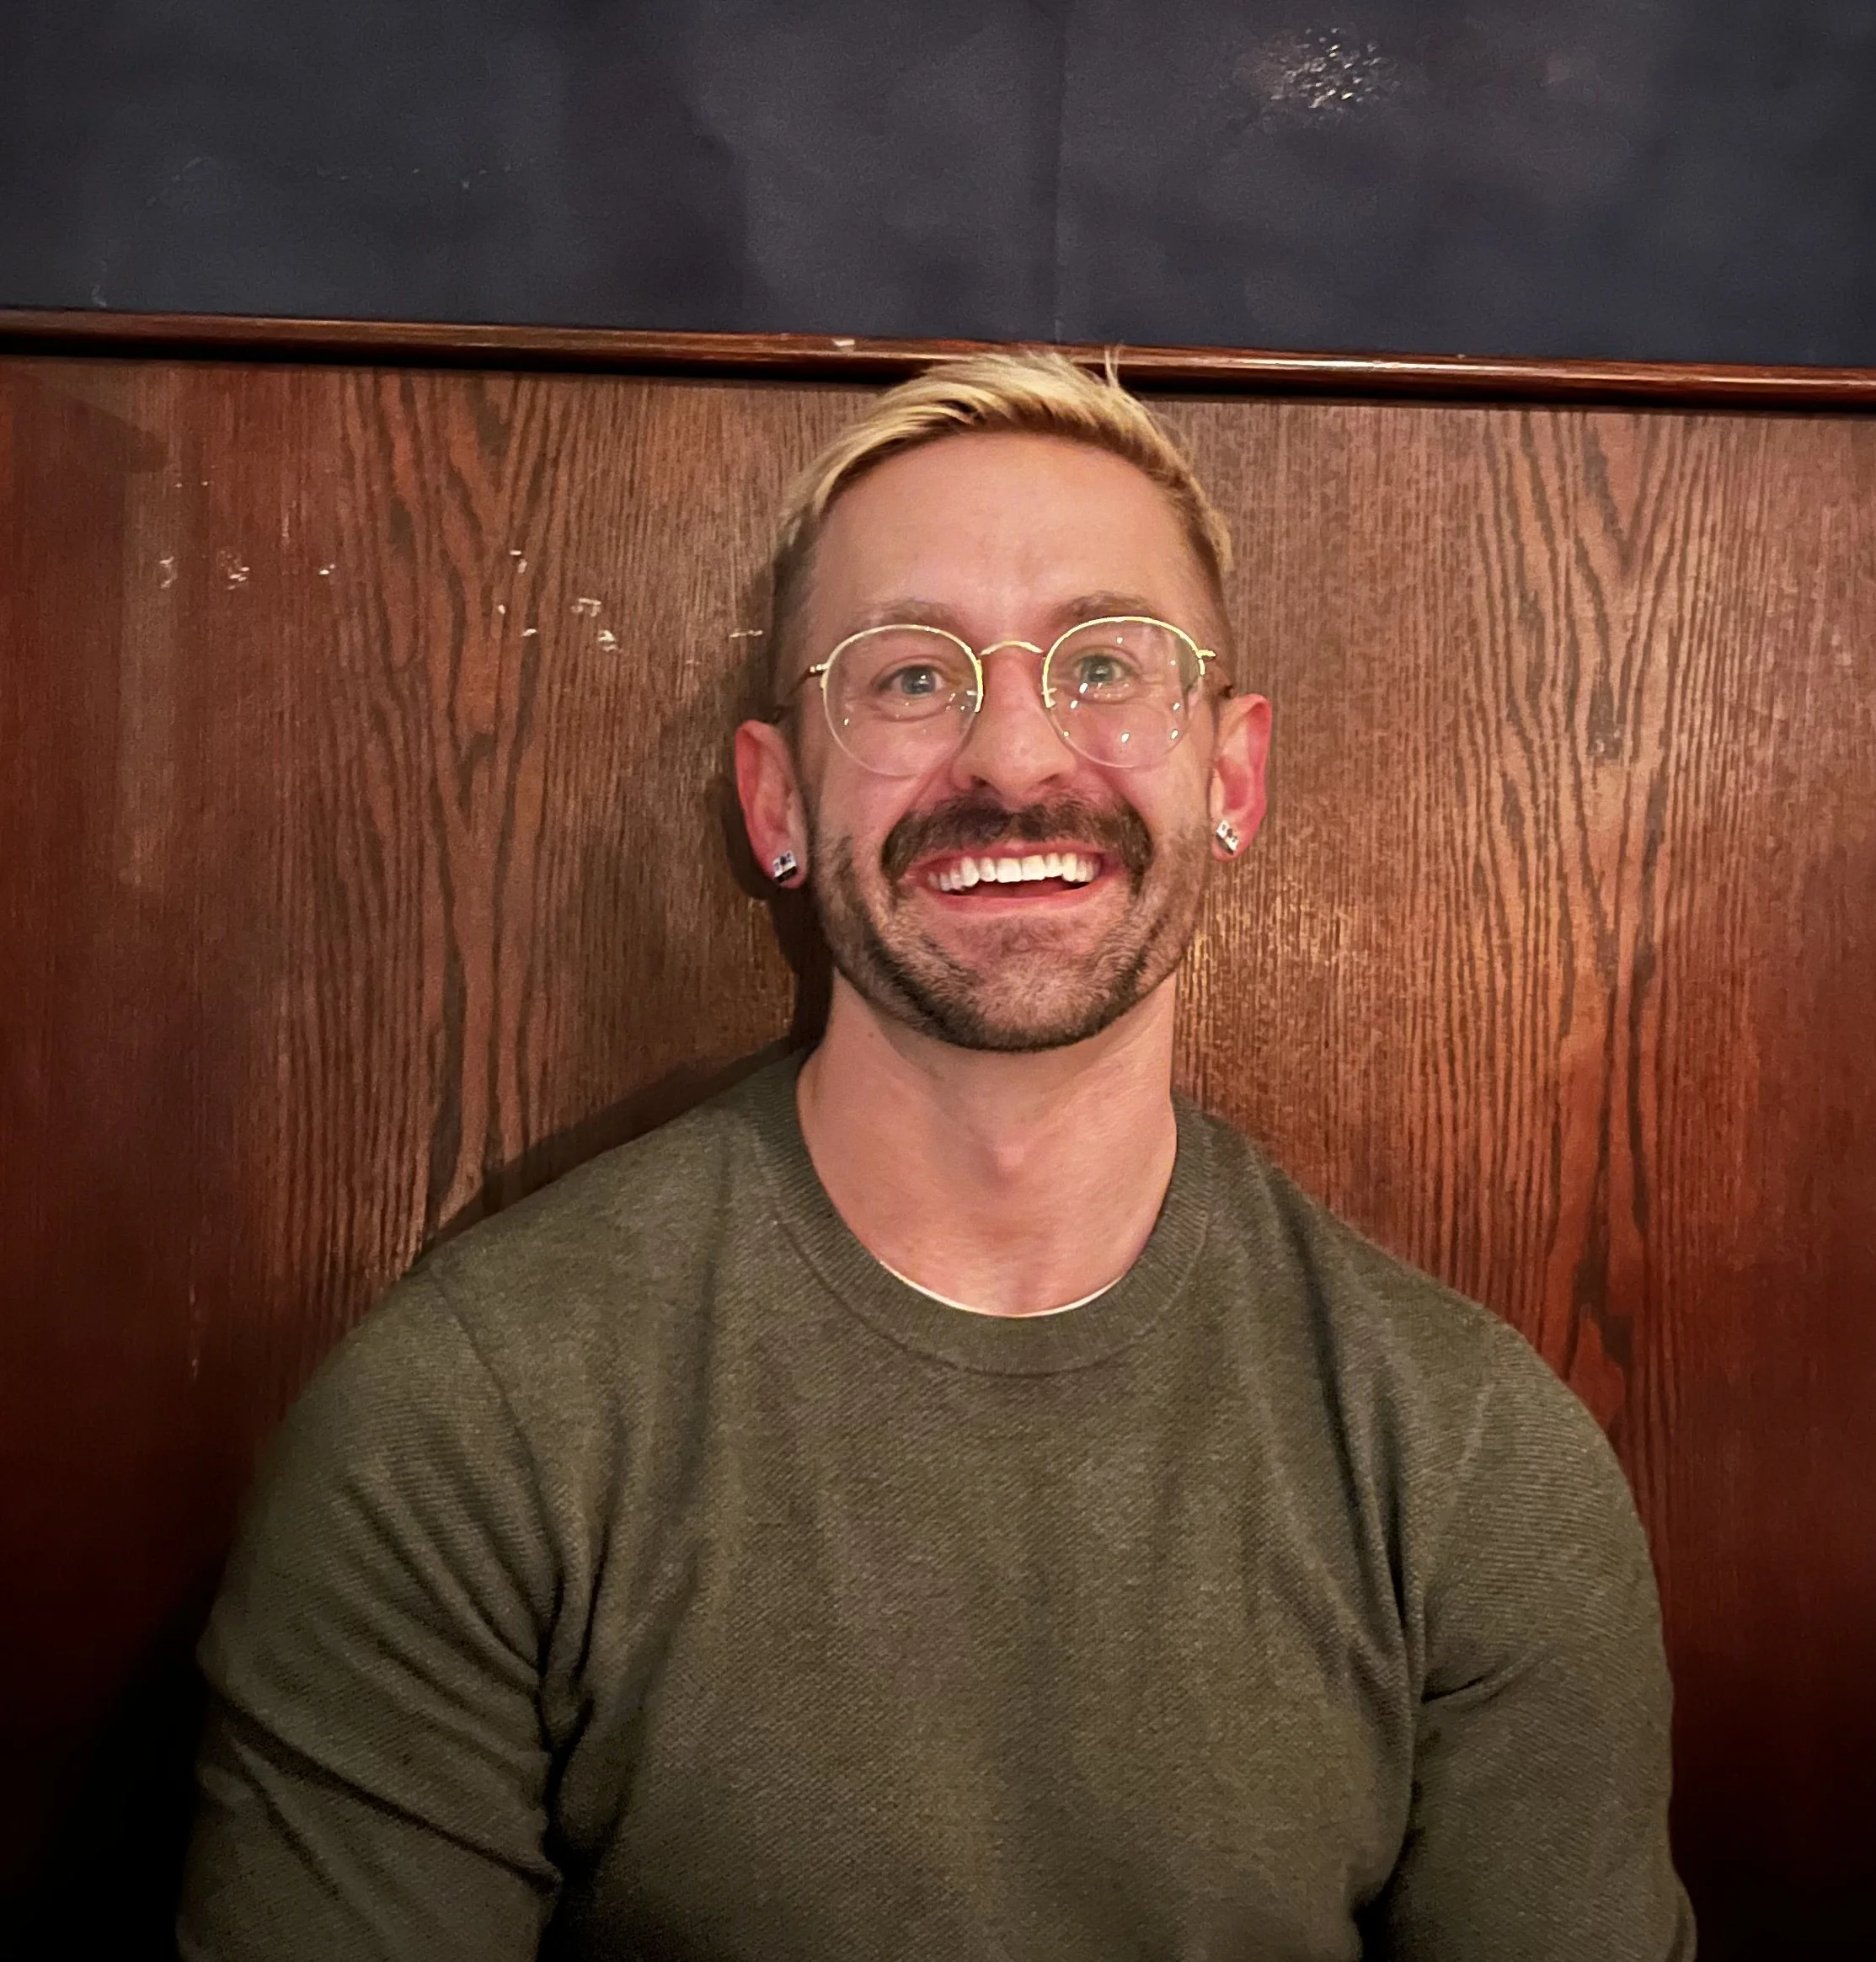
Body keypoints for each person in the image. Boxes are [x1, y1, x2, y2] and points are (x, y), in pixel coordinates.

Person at [178, 353, 1694, 1960]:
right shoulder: (468, 1425)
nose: (1018, 758)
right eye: (909, 677)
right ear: (775, 800)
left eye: (1107, 665)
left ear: (1231, 775)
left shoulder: (1467, 1462)